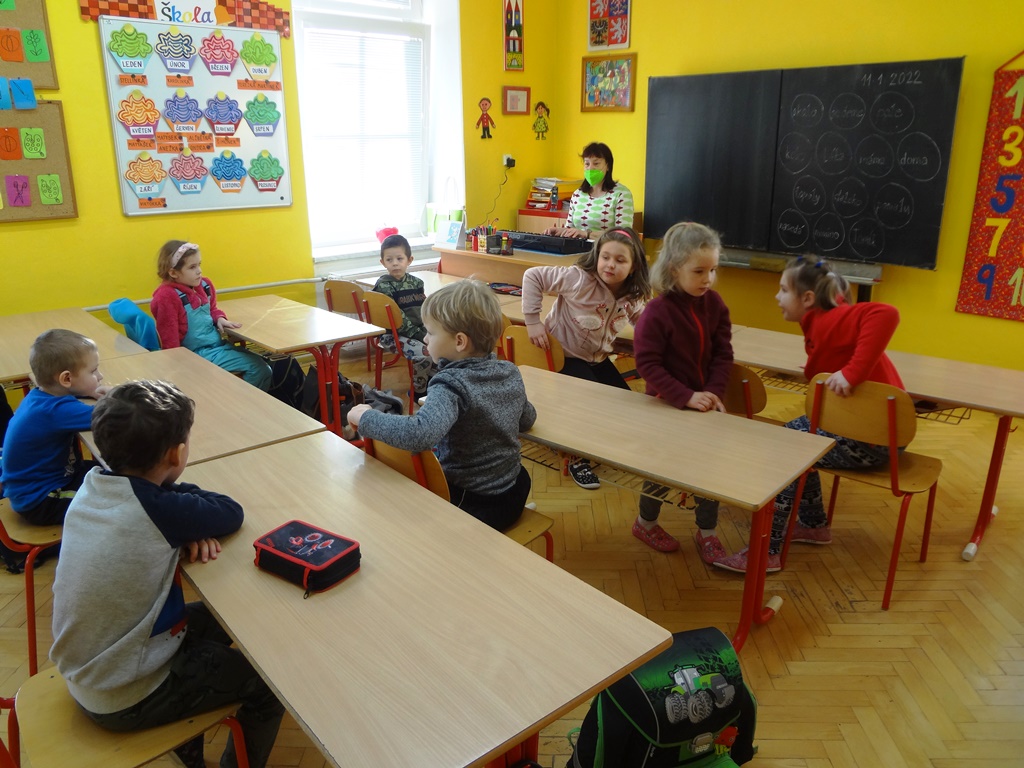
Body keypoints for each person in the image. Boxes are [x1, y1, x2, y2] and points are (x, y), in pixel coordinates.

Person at [49, 380, 284, 768]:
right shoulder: (159, 511)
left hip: (95, 667)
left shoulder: (93, 484)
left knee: (230, 618)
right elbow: (229, 511)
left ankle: (188, 750)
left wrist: (179, 523)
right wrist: (182, 518)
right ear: (176, 453)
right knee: (269, 688)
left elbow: (163, 510)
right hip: (126, 693)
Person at [715, 257, 904, 574]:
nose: (777, 296)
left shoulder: (831, 319)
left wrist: (851, 373)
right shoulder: (822, 319)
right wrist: (827, 366)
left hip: (874, 440)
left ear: (807, 298)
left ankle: (766, 553)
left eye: (783, 289)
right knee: (793, 438)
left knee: (787, 450)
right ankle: (814, 526)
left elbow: (886, 314)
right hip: (871, 432)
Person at [348, 280, 536, 530]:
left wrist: (365, 417)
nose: (425, 339)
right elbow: (527, 419)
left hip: (473, 506)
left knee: (397, 496)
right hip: (515, 491)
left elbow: (419, 434)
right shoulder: (509, 371)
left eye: (430, 332)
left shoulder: (450, 384)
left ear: (459, 341)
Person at [521, 227, 651, 490]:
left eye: (620, 260)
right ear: (597, 256)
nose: (610, 265)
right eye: (605, 257)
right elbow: (533, 276)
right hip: (564, 355)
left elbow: (644, 322)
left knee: (625, 404)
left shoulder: (633, 295)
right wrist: (532, 321)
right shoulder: (579, 279)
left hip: (598, 357)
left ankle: (595, 441)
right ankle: (576, 458)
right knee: (588, 403)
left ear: (634, 266)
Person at [632, 222, 733, 556]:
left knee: (708, 471)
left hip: (705, 405)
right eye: (699, 271)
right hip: (667, 405)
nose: (708, 279)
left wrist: (713, 392)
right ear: (675, 269)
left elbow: (723, 354)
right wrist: (685, 396)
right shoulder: (657, 312)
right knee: (662, 469)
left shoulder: (715, 305)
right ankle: (645, 523)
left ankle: (707, 531)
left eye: (713, 270)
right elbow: (648, 365)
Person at [0, 329, 107, 526]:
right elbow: (112, 415)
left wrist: (87, 391)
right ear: (66, 379)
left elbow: (73, 402)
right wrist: (116, 394)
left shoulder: (42, 397)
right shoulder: (55, 411)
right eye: (93, 371)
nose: (100, 376)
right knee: (117, 498)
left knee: (115, 476)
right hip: (42, 499)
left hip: (43, 482)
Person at [151, 240, 272, 390]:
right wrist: (177, 373)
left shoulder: (204, 285)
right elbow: (169, 339)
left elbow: (212, 309)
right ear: (173, 273)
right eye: (192, 267)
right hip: (194, 355)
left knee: (261, 360)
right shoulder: (166, 296)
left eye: (199, 264)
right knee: (260, 369)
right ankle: (242, 402)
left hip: (217, 346)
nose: (199, 271)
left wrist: (219, 318)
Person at [370, 233, 436, 398]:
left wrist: (430, 331)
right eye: (389, 260)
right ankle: (418, 392)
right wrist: (421, 335)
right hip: (391, 336)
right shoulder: (384, 286)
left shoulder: (416, 283)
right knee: (424, 354)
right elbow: (398, 320)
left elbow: (423, 310)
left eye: (399, 259)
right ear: (382, 262)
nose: (395, 263)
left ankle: (433, 385)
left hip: (417, 332)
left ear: (409, 260)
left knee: (441, 348)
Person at [543, 142, 634, 240]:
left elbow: (623, 235)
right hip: (576, 248)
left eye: (596, 163)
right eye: (587, 164)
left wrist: (587, 234)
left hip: (605, 248)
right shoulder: (577, 195)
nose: (590, 168)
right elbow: (570, 229)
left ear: (608, 166)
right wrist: (560, 231)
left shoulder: (621, 194)